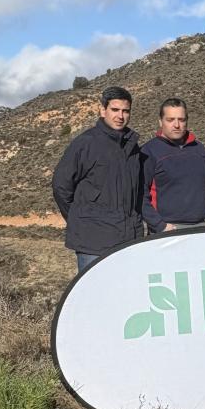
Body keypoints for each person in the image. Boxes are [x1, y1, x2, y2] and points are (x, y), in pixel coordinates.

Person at [52, 86, 144, 272]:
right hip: (92, 244)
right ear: (103, 110)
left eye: (125, 111)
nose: (120, 116)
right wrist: (81, 220)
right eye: (115, 110)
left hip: (127, 241)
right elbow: (61, 186)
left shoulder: (132, 148)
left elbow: (136, 193)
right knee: (93, 298)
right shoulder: (86, 143)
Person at [141, 98, 205, 232]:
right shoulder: (149, 152)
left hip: (200, 227)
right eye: (170, 120)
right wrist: (160, 225)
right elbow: (139, 194)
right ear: (160, 121)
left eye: (181, 120)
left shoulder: (199, 150)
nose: (176, 125)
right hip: (167, 230)